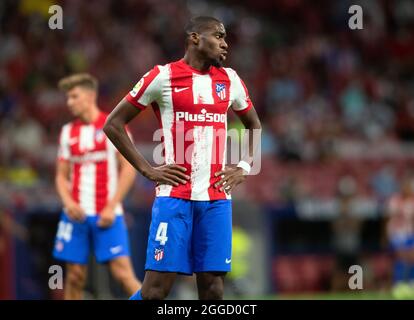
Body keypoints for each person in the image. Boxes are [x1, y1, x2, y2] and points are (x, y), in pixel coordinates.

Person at [104, 16, 262, 300]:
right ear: (195, 38)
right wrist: (148, 170)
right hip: (174, 199)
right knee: (155, 291)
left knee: (213, 288)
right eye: (219, 36)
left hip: (216, 200)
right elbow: (112, 124)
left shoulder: (230, 80)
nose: (225, 44)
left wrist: (244, 166)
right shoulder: (162, 77)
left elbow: (254, 125)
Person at [52, 73, 142, 299]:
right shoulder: (67, 132)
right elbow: (61, 176)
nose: (69, 102)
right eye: (68, 98)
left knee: (122, 273)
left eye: (74, 96)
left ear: (90, 95)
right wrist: (69, 203)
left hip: (107, 213)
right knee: (74, 276)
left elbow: (129, 169)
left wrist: (112, 205)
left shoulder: (112, 126)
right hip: (75, 214)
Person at [386, 177, 414, 299]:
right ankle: (398, 285)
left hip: (409, 233)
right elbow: (390, 217)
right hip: (396, 233)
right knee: (401, 257)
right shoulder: (395, 200)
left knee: (412, 257)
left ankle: (410, 284)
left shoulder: (412, 201)